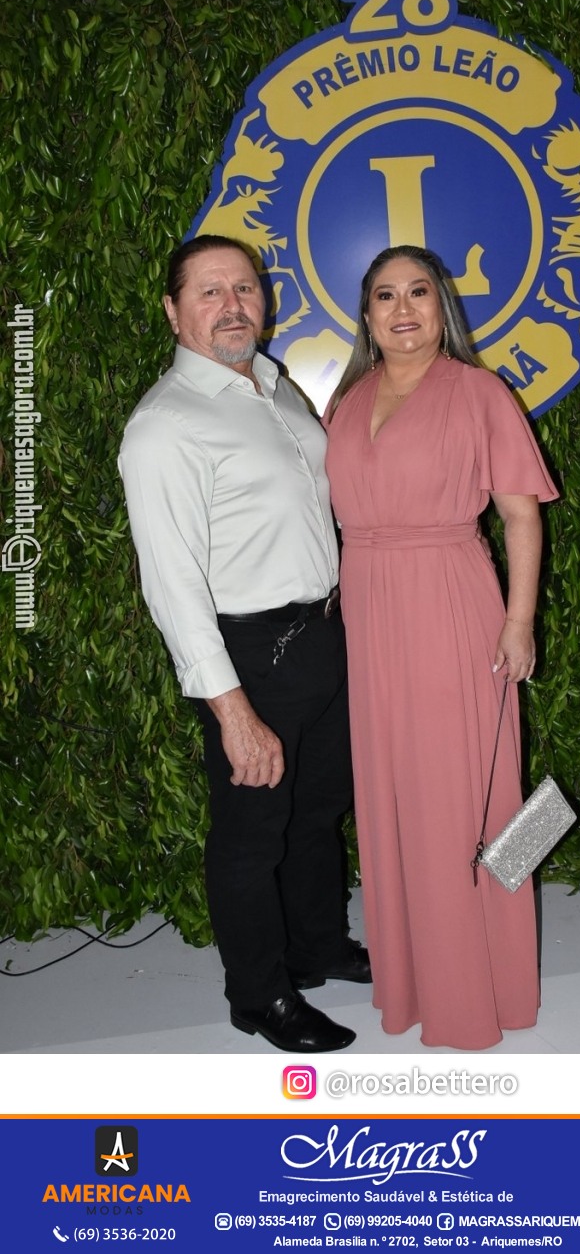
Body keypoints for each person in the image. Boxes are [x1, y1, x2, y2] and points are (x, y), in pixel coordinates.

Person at [118, 233, 370, 1054]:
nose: (232, 304)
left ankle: (318, 946)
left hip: (323, 634)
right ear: (172, 310)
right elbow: (172, 584)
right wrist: (231, 710)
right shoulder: (163, 427)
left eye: (245, 288)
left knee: (318, 808)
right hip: (251, 653)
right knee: (252, 829)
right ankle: (258, 993)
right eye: (209, 291)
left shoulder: (273, 382)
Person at [324, 245, 559, 1050]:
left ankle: (493, 987)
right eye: (385, 295)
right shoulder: (347, 401)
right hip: (371, 612)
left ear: (443, 306)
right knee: (393, 798)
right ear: (365, 314)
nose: (402, 309)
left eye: (419, 292)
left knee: (479, 796)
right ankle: (415, 980)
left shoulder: (480, 392)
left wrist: (519, 621)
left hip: (454, 602)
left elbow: (522, 515)